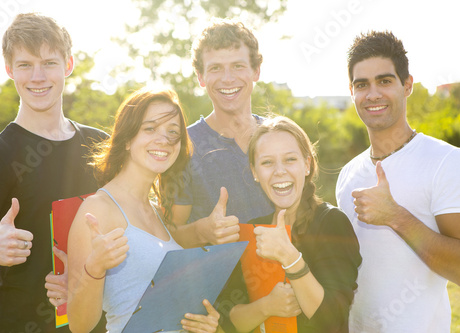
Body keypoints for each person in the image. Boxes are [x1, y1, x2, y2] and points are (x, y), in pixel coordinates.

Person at [0, 13, 108, 332]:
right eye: (26, 65)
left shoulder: (100, 145)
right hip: (18, 322)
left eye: (49, 63)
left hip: (93, 320)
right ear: (10, 70)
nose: (38, 76)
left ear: (68, 65)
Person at [67, 87, 221, 333]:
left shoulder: (158, 213)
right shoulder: (98, 209)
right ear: (127, 139)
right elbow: (78, 325)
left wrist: (205, 324)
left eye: (173, 132)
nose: (164, 139)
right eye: (150, 129)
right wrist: (94, 268)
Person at [335, 31, 460, 332]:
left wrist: (395, 217)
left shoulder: (446, 161)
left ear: (407, 85)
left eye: (385, 81)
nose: (373, 94)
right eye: (362, 84)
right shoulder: (347, 175)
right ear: (351, 90)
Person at [228, 116, 361, 332]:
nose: (279, 171)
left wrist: (289, 257)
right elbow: (231, 321)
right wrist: (267, 306)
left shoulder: (331, 223)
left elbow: (332, 319)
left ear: (307, 165)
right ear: (255, 172)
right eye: (267, 162)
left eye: (290, 159)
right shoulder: (253, 231)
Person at [171, 18, 274, 248]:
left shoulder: (280, 138)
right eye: (215, 68)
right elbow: (167, 233)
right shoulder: (183, 147)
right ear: (201, 77)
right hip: (218, 283)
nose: (228, 78)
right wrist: (201, 232)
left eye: (238, 66)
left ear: (256, 70)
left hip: (286, 278)